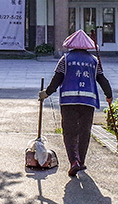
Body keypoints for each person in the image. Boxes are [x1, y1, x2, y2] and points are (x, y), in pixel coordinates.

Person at [40, 29, 113, 178]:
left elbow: (57, 79)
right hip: (88, 101)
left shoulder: (65, 59)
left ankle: (74, 161)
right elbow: (102, 79)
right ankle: (81, 160)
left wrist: (46, 93)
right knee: (84, 131)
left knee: (70, 131)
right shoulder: (94, 60)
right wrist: (109, 95)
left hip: (69, 101)